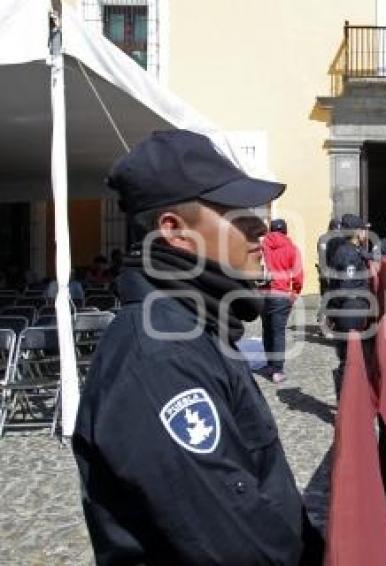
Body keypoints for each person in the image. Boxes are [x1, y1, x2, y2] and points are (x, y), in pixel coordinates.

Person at [71, 130, 323, 564]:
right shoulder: (160, 354)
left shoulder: (193, 325)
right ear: (174, 230)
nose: (261, 229)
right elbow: (230, 539)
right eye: (239, 215)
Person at [326, 213, 372, 400]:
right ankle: (346, 401)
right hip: (351, 309)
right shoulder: (348, 253)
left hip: (346, 309)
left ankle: (348, 398)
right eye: (363, 230)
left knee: (350, 356)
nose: (366, 233)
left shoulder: (349, 250)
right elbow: (347, 286)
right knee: (349, 358)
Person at [259, 218, 303, 384]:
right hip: (281, 294)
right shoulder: (292, 249)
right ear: (285, 231)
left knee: (267, 329)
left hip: (262, 294)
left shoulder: (262, 246)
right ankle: (277, 370)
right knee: (278, 332)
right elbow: (298, 275)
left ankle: (269, 365)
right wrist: (295, 291)